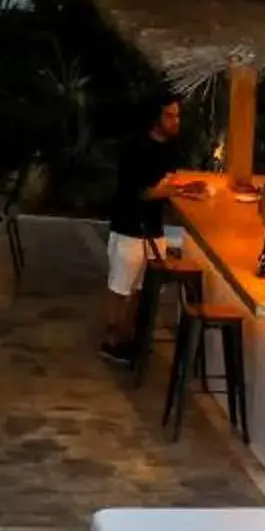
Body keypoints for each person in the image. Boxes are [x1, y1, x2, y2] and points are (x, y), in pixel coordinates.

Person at [101, 92, 183, 361]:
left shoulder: (169, 149)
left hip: (153, 227)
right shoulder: (136, 147)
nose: (175, 121)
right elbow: (140, 192)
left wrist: (176, 189)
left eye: (177, 115)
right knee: (121, 288)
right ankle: (112, 341)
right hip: (129, 226)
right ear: (155, 118)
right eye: (169, 116)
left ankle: (131, 338)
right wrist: (175, 191)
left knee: (140, 291)